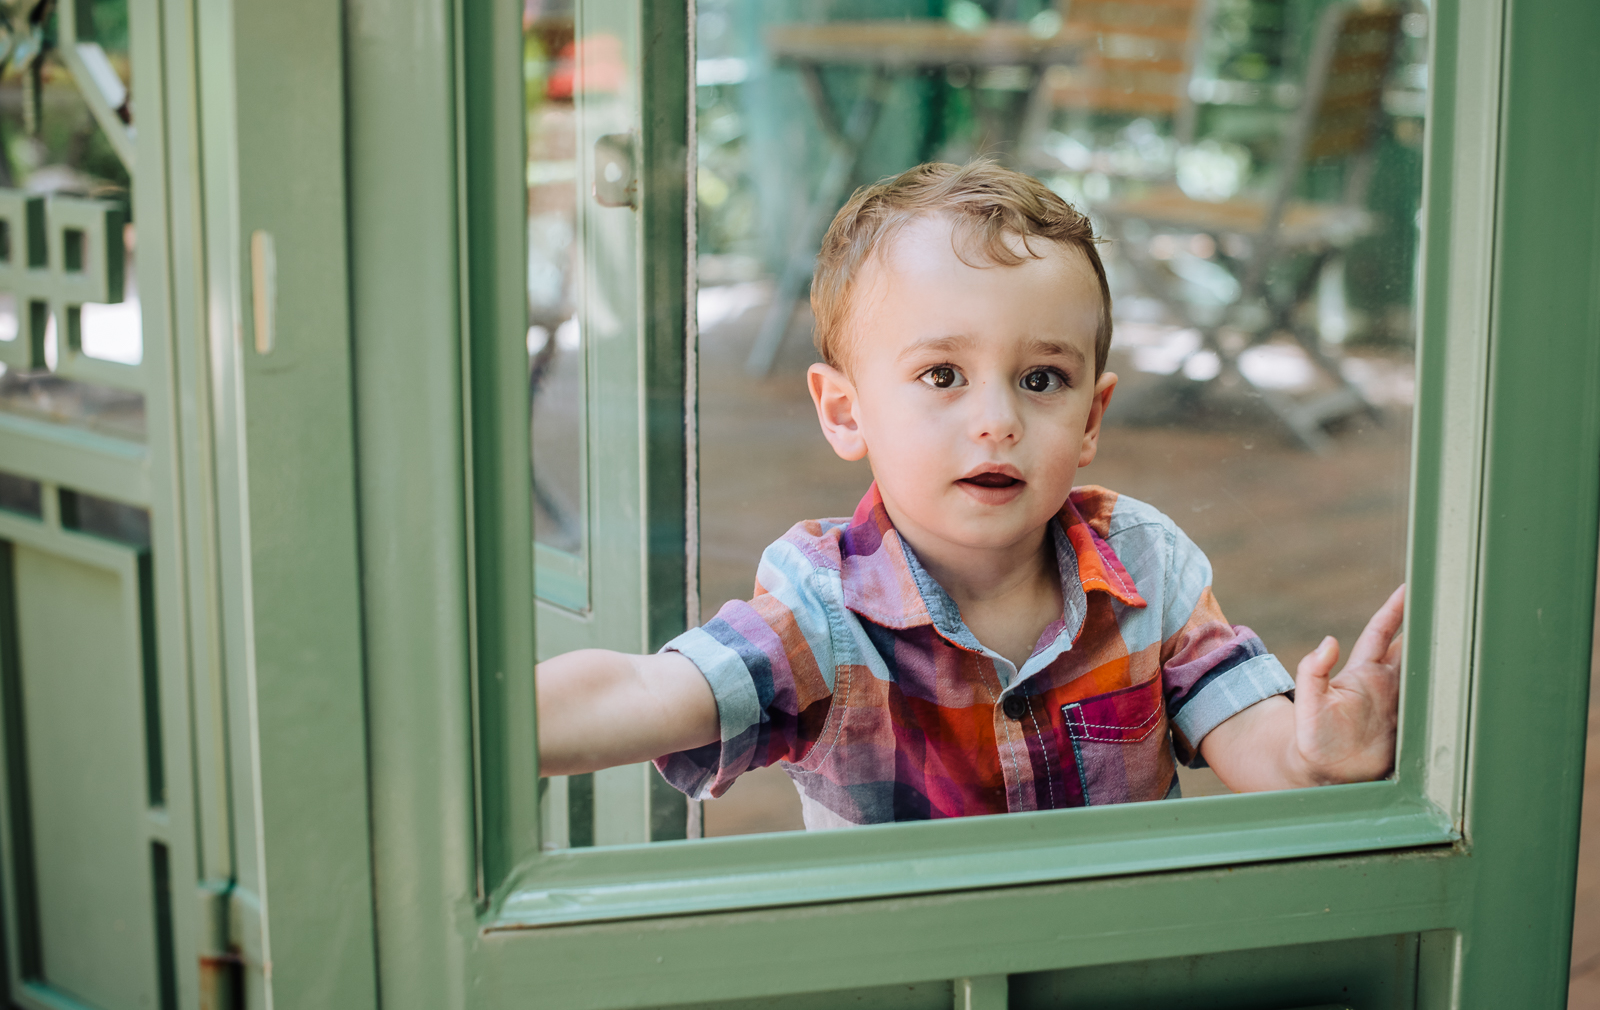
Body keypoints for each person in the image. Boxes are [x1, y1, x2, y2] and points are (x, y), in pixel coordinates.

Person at [536, 160, 1404, 827]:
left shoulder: (1147, 567)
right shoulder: (823, 607)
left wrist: (1315, 758)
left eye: (1041, 378)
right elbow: (647, 694)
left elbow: (1251, 738)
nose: (996, 421)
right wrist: (467, 727)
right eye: (943, 374)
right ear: (845, 412)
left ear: (1093, 416)